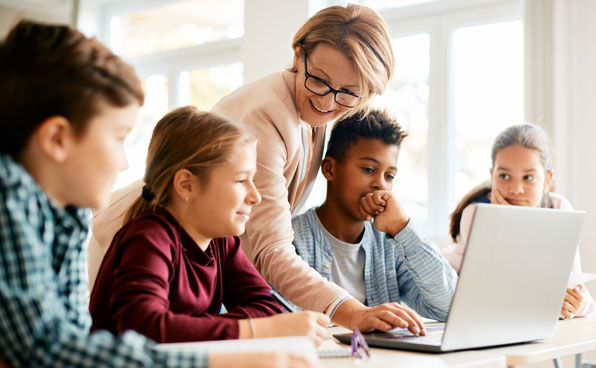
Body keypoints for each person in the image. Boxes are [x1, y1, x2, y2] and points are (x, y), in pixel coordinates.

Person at [91, 4, 425, 335]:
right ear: (298, 56)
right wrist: (349, 312)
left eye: (347, 93)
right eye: (319, 80)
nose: (326, 102)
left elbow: (263, 302)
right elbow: (271, 251)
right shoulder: (264, 116)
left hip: (195, 249)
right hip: (150, 251)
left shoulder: (225, 242)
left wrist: (252, 326)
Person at [0, 20, 315, 368]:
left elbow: (71, 343)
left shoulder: (70, 214)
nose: (123, 164)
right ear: (57, 139)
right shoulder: (10, 205)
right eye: (119, 137)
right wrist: (237, 351)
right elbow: (46, 352)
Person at [90, 106, 329, 346]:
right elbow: (144, 329)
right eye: (240, 180)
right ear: (186, 185)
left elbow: (268, 306)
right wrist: (255, 329)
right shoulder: (148, 239)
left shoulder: (221, 241)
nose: (255, 196)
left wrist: (189, 327)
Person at [291, 110, 457, 321]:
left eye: (390, 176)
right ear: (330, 169)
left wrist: (402, 228)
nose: (381, 184)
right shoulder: (292, 241)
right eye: (369, 169)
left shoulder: (391, 244)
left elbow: (448, 308)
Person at [442, 123, 594, 318]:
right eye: (504, 176)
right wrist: (504, 223)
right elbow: (484, 292)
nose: (516, 189)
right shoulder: (475, 214)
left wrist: (581, 305)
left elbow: (576, 285)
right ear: (492, 176)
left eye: (528, 177)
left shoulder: (559, 209)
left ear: (547, 180)